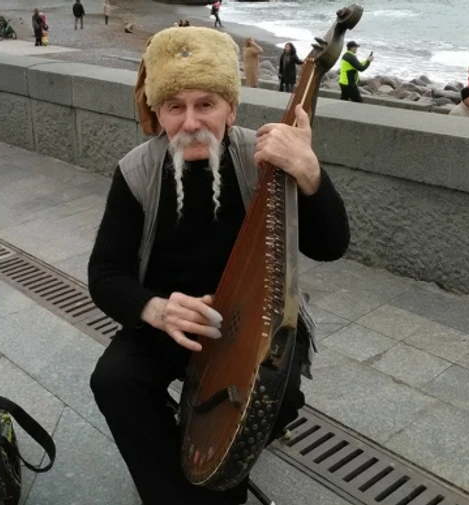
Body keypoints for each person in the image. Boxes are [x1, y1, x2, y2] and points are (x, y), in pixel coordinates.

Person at [89, 26, 350, 505]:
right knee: (114, 381)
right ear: (159, 113)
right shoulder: (137, 172)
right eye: (175, 107)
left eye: (206, 104)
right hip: (175, 320)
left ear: (231, 108)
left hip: (255, 318)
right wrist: (156, 310)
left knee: (280, 399)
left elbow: (331, 246)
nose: (191, 122)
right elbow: (104, 274)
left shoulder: (265, 157)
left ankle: (227, 455)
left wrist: (310, 171)